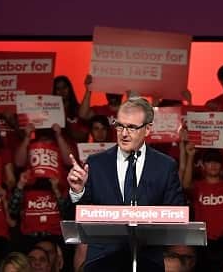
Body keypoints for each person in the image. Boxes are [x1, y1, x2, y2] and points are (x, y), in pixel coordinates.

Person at [67, 97, 187, 272]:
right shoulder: (96, 163)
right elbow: (79, 216)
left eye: (131, 127)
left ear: (147, 129)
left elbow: (176, 214)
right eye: (120, 125)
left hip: (147, 260)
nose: (124, 133)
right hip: (103, 262)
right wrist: (78, 191)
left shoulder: (165, 166)